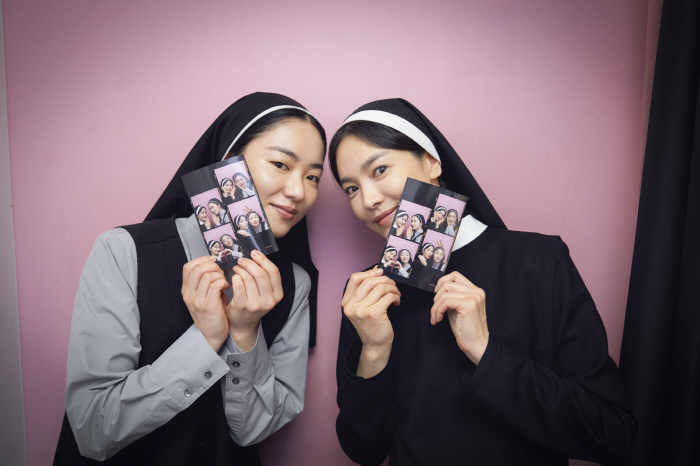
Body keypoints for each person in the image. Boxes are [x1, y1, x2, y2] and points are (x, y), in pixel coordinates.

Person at [328, 98, 635, 465]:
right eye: (351, 188)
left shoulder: (540, 262)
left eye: (378, 170)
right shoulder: (365, 296)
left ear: (431, 161)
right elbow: (364, 451)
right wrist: (374, 350)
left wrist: (485, 352)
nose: (369, 200)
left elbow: (614, 435)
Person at [54, 93, 326, 466]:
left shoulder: (295, 285)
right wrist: (206, 339)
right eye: (281, 163)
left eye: (313, 176)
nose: (299, 191)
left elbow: (253, 432)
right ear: (227, 162)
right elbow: (91, 428)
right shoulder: (122, 251)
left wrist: (245, 333)